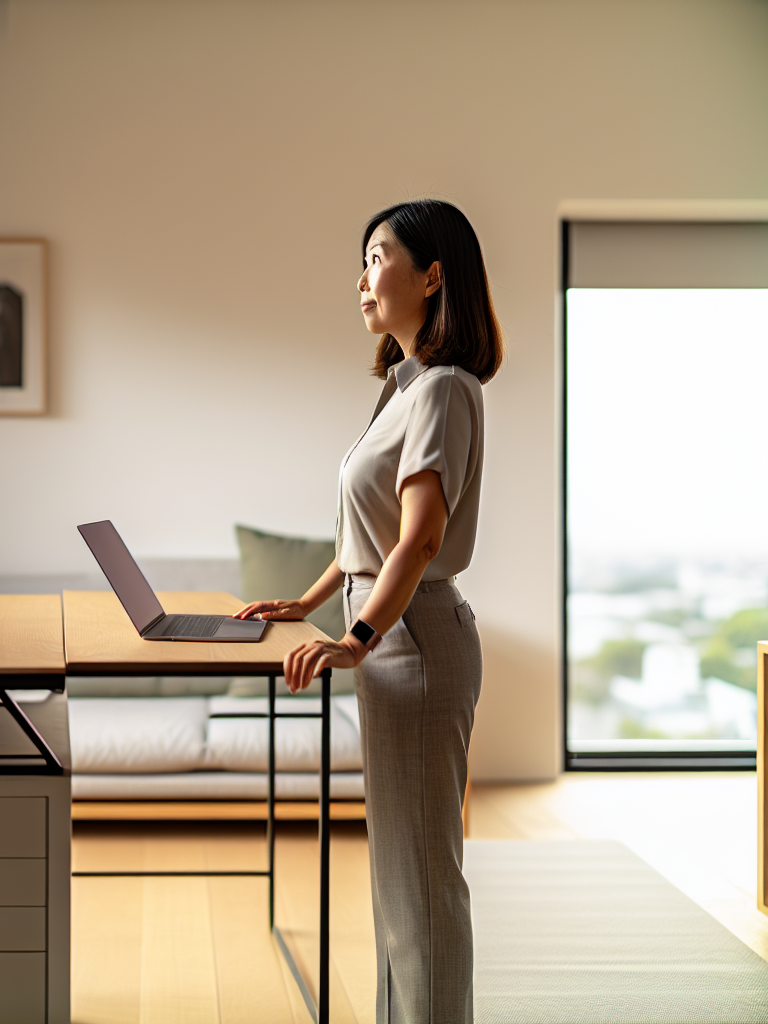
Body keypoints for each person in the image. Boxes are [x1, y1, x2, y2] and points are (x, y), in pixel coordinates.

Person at [234, 199, 503, 1024]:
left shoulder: (445, 392)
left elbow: (419, 543)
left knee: (422, 881)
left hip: (413, 641)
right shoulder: (404, 389)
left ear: (432, 276)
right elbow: (372, 530)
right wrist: (310, 601)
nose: (362, 279)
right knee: (399, 879)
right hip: (395, 636)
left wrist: (354, 637)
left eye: (378, 257)